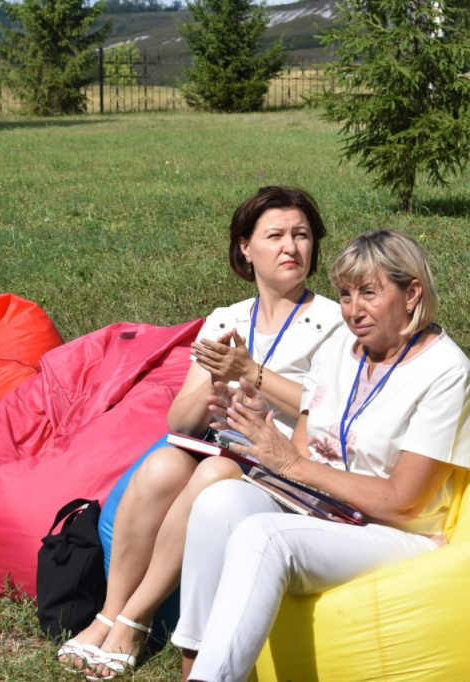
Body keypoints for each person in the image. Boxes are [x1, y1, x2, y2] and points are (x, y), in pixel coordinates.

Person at [60, 186, 344, 679]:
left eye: (301, 235)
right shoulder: (227, 319)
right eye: (274, 235)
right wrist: (213, 382)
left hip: (284, 464)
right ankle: (109, 609)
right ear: (244, 247)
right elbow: (179, 423)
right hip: (221, 447)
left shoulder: (336, 324)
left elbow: (325, 407)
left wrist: (250, 371)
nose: (290, 248)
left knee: (215, 470)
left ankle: (135, 619)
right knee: (162, 463)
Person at [169, 229, 470, 682]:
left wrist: (293, 465)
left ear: (412, 293)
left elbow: (403, 499)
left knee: (264, 537)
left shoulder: (446, 371)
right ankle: (193, 665)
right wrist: (264, 425)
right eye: (345, 294)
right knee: (218, 502)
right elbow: (302, 446)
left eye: (369, 293)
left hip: (393, 531)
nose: (353, 310)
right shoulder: (340, 347)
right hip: (320, 509)